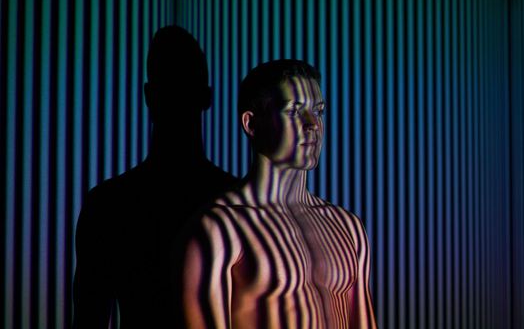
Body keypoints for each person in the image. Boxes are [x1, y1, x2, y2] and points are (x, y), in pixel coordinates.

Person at [177, 59, 377, 328]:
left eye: (318, 111)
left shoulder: (348, 227)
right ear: (251, 123)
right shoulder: (222, 228)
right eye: (294, 111)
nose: (312, 125)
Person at [72, 25, 238, 328]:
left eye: (181, 87)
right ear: (207, 97)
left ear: (149, 96)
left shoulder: (109, 204)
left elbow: (89, 318)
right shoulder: (238, 202)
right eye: (172, 87)